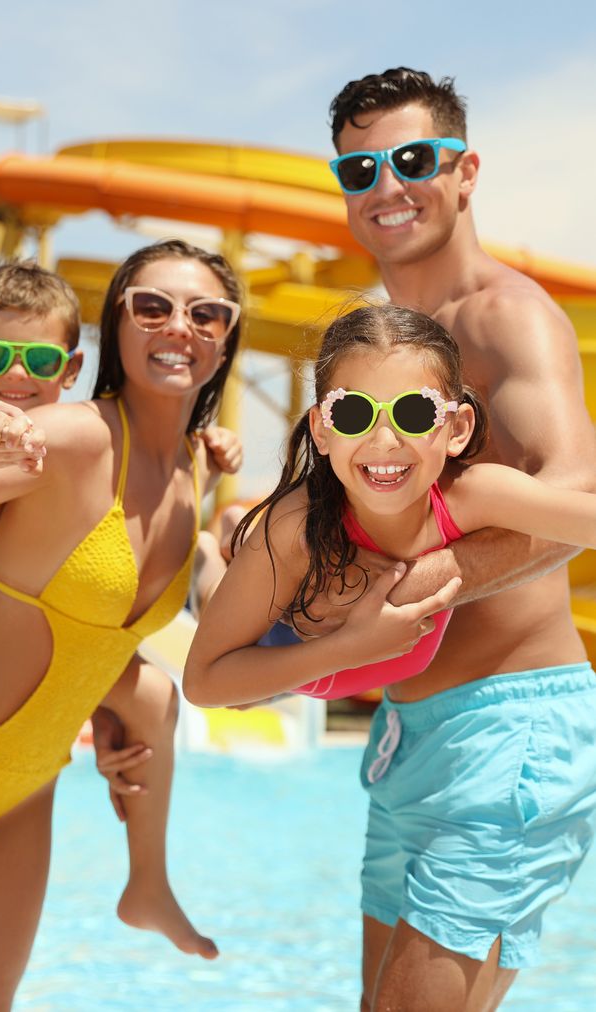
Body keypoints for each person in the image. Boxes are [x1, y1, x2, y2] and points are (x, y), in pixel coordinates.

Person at [184, 302, 596, 1010]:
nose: (383, 439)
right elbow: (206, 680)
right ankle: (213, 548)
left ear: (456, 427)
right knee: (221, 571)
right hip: (302, 642)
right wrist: (351, 645)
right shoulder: (291, 531)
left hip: (494, 745)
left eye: (412, 412)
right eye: (351, 415)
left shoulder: (473, 497)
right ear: (320, 425)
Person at [300, 67, 596, 1010]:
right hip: (409, 731)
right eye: (360, 170)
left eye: (413, 160)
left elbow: (577, 497)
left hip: (508, 731)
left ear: (466, 172)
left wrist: (417, 589)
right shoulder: (378, 345)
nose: (387, 187)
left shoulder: (504, 317)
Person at [0, 238, 242, 1010]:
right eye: (152, 306)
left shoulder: (194, 467)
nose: (180, 326)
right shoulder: (64, 437)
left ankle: (149, 881)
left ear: (229, 335)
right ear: (117, 325)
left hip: (25, 790)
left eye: (207, 313)